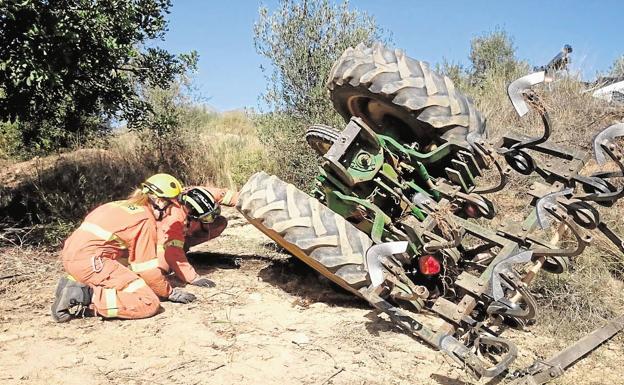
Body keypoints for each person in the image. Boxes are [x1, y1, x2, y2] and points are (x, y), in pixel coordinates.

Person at [51, 173, 197, 322]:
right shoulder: (144, 221)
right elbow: (146, 270)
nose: (170, 212)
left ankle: (72, 285)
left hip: (72, 258)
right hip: (92, 263)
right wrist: (168, 292)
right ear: (159, 201)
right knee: (148, 302)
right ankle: (84, 295)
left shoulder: (120, 205)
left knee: (128, 267)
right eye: (171, 206)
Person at [157, 186, 239, 287]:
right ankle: (179, 250)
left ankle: (183, 248)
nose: (212, 219)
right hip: (160, 240)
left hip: (185, 230)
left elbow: (233, 197)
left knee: (220, 223)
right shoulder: (173, 220)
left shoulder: (202, 194)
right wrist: (193, 278)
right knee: (162, 269)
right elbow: (172, 251)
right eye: (207, 217)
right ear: (192, 214)